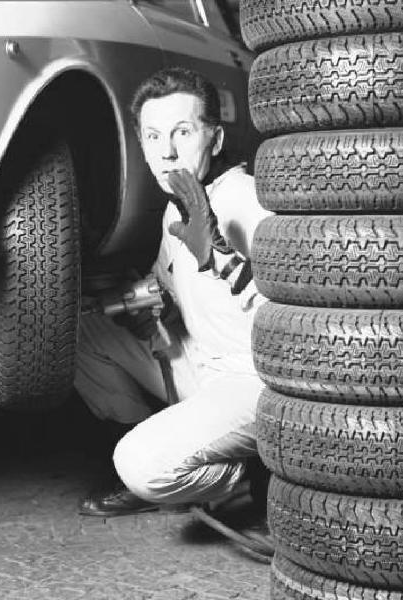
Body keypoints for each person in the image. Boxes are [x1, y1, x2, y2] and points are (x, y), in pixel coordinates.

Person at [76, 67, 271, 517]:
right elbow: (164, 290)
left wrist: (219, 258)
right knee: (83, 335)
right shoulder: (175, 209)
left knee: (140, 463)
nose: (167, 152)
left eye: (183, 132)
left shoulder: (246, 199)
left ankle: (235, 474)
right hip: (201, 366)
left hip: (252, 383)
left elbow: (306, 313)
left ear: (215, 140)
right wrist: (144, 305)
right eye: (153, 136)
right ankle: (165, 467)